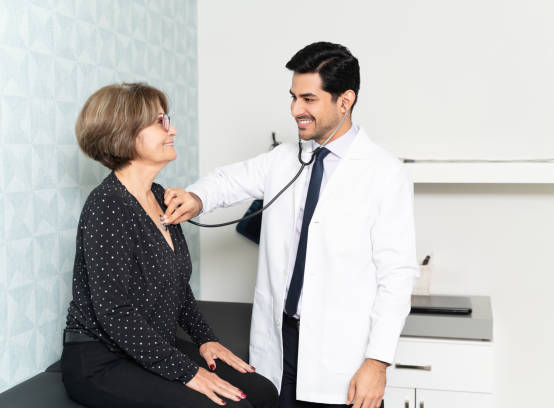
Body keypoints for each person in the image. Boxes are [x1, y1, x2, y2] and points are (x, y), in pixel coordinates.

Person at [164, 42, 418, 408]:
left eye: (309, 99)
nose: (295, 110)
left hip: (342, 357)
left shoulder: (384, 174)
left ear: (345, 100)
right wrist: (196, 197)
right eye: (293, 97)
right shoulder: (284, 159)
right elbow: (228, 181)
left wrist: (376, 363)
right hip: (279, 343)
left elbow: (397, 276)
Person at [61, 83, 279, 408]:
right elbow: (114, 312)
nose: (172, 129)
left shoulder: (163, 197)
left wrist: (206, 340)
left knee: (262, 391)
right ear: (125, 133)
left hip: (150, 346)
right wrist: (188, 372)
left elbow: (178, 288)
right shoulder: (108, 206)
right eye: (160, 122)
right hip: (102, 360)